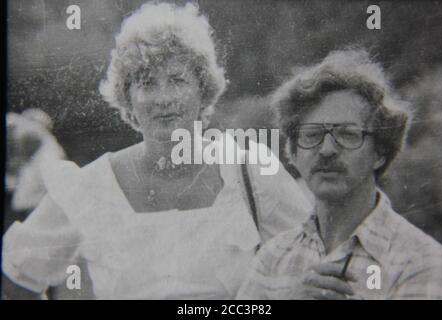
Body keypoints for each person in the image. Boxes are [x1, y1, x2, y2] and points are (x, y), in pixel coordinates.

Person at [2, 2, 312, 300]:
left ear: (203, 93)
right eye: (147, 83)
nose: (163, 98)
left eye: (177, 80)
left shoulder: (251, 171)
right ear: (128, 100)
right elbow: (16, 276)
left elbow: (316, 263)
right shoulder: (89, 186)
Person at [237, 48, 442, 299]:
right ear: (293, 153)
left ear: (380, 152)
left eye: (348, 134)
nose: (326, 149)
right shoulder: (272, 258)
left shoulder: (422, 264)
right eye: (312, 135)